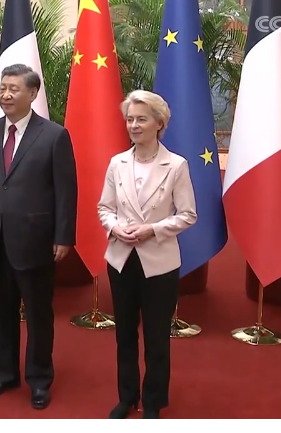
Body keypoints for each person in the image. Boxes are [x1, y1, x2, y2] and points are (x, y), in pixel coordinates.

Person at [0, 64, 78, 410]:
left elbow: (66, 191)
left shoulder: (54, 136)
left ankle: (39, 379)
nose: (5, 95)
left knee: (37, 315)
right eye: (3, 88)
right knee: (1, 313)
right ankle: (5, 373)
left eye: (13, 89)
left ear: (32, 94)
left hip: (35, 241)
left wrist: (64, 236)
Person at [97, 90, 197, 419]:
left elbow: (188, 215)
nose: (134, 125)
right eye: (130, 119)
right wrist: (115, 228)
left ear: (159, 123)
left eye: (141, 119)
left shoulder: (176, 165)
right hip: (121, 259)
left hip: (159, 263)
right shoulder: (117, 163)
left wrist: (152, 229)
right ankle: (127, 397)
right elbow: (104, 208)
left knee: (156, 337)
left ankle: (153, 401)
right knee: (124, 334)